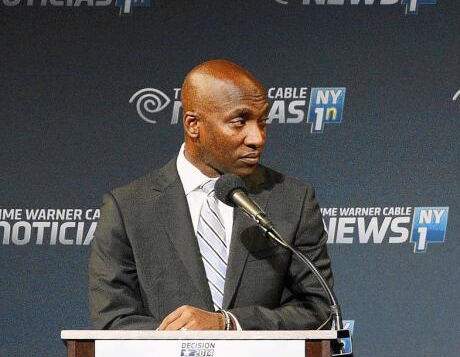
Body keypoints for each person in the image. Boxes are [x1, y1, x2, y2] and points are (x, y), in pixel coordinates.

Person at [89, 60, 334, 331]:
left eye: (262, 121)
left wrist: (228, 324)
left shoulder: (292, 200)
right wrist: (184, 346)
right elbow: (113, 319)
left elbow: (319, 309)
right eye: (239, 122)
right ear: (194, 125)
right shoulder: (128, 207)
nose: (257, 138)